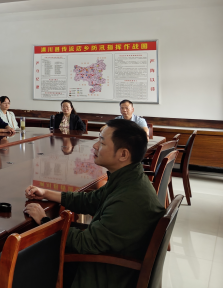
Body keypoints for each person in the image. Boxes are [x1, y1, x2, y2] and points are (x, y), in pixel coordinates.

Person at [24, 119, 165, 288]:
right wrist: (46, 193)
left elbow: (84, 243)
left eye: (102, 143)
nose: (95, 146)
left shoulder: (129, 199)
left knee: (26, 260)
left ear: (123, 154)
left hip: (105, 275)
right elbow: (89, 201)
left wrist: (45, 221)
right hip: (110, 262)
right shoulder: (129, 178)